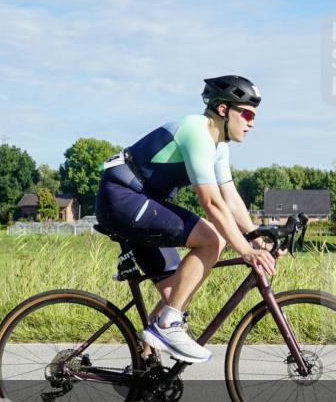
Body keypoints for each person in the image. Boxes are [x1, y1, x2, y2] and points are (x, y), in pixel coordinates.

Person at [94, 75, 276, 363]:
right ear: (223, 110)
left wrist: (256, 235)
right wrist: (245, 251)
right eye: (247, 113)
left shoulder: (218, 146)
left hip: (143, 201)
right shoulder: (197, 132)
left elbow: (229, 197)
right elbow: (212, 202)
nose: (252, 122)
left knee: (177, 292)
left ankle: (143, 370)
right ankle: (168, 325)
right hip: (122, 197)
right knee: (211, 241)